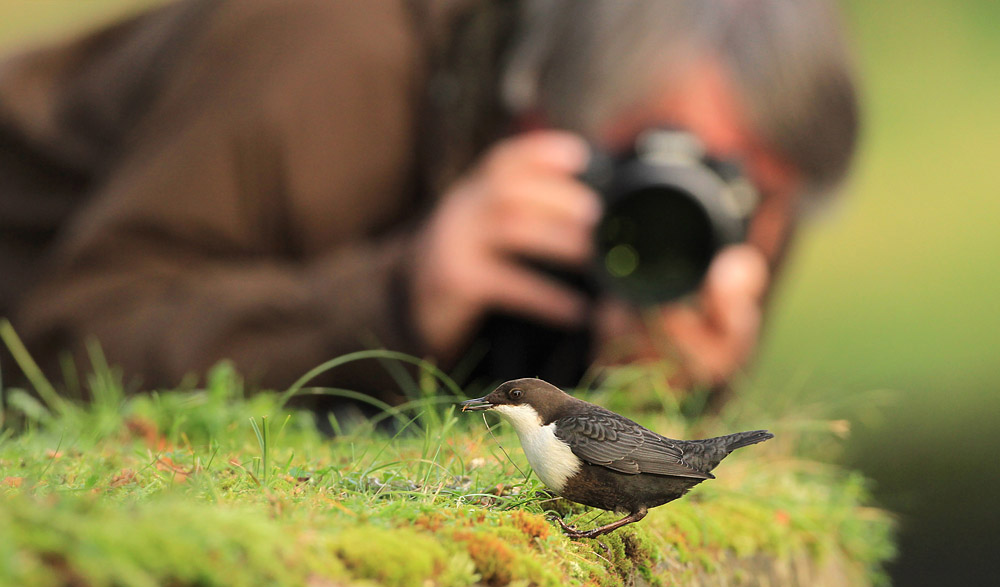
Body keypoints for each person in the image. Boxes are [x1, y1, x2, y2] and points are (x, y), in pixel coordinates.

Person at [0, 0, 858, 399]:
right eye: (649, 159)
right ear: (538, 106)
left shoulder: (744, 188)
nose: (685, 202)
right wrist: (399, 299)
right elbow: (68, 341)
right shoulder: (328, 44)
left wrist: (655, 386)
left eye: (740, 189)